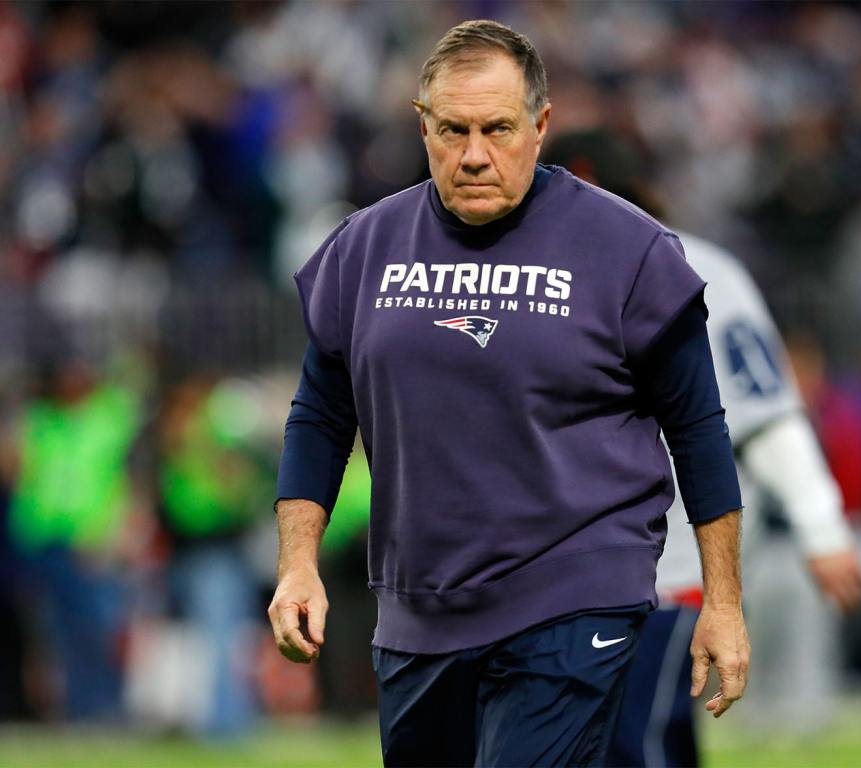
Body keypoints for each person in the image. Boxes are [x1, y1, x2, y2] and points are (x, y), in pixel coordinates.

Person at [269, 20, 748, 767]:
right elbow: (320, 414)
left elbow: (699, 428)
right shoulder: (362, 249)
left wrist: (722, 601)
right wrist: (298, 563)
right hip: (419, 609)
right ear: (421, 125)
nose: (474, 155)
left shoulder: (630, 252)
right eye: (452, 130)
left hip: (577, 589)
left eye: (497, 128)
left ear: (541, 124)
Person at [545, 131, 861, 767]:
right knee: (652, 741)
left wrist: (820, 525)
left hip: (668, 569)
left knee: (628, 743)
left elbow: (765, 415)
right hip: (569, 569)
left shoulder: (695, 269)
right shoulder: (536, 273)